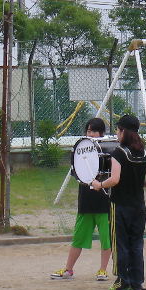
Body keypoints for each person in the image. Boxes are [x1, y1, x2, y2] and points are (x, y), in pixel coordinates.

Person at [90, 114, 146, 290]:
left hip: (119, 204)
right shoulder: (145, 152)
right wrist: (137, 185)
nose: (117, 134)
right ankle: (137, 281)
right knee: (136, 242)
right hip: (139, 205)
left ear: (123, 131)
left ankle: (122, 279)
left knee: (120, 242)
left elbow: (115, 179)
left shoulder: (119, 152)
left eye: (118, 130)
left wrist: (99, 185)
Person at [51, 118, 113, 281]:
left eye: (94, 131)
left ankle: (102, 270)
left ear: (101, 133)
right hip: (86, 201)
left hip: (104, 202)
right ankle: (68, 269)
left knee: (106, 239)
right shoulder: (82, 150)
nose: (91, 134)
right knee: (78, 237)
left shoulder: (108, 149)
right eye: (88, 131)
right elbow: (76, 172)